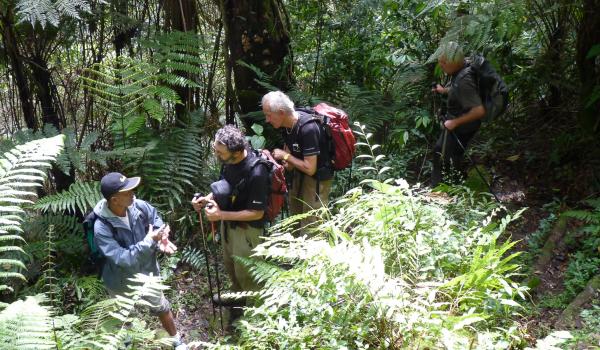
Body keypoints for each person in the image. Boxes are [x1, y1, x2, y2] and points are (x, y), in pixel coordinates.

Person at [93, 172, 186, 350]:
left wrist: (162, 234)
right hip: (120, 281)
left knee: (161, 307)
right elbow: (123, 259)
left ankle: (176, 342)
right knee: (124, 317)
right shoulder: (101, 228)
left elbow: (156, 218)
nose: (133, 193)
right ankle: (128, 345)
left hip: (148, 271)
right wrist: (150, 241)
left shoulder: (138, 206)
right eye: (127, 191)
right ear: (114, 200)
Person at [191, 125, 269, 315]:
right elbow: (227, 186)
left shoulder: (257, 172)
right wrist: (207, 199)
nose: (216, 155)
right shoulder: (228, 162)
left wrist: (221, 216)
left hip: (248, 230)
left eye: (220, 152)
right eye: (216, 150)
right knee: (231, 266)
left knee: (248, 274)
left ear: (235, 152)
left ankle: (254, 315)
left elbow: (257, 213)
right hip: (229, 225)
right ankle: (237, 301)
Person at [262, 91, 333, 232]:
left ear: (281, 112)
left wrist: (286, 156)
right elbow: (291, 153)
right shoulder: (287, 126)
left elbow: (310, 168)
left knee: (311, 227)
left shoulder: (308, 129)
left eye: (269, 115)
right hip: (299, 177)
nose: (267, 120)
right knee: (295, 222)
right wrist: (285, 162)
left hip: (316, 182)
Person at [430, 41, 486, 187]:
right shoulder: (465, 65)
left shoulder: (464, 80)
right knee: (448, 154)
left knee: (442, 154)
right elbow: (459, 90)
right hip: (460, 122)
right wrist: (444, 90)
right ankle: (452, 186)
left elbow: (479, 110)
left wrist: (455, 122)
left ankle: (440, 190)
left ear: (453, 61)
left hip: (463, 125)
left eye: (443, 62)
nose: (440, 65)